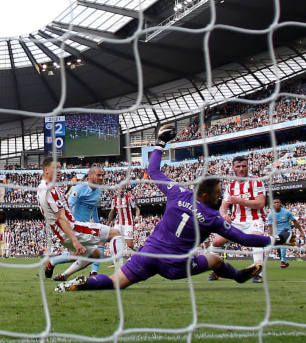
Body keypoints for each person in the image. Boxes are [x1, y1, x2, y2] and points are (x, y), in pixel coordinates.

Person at [55, 125, 289, 292]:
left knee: (116, 282)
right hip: (175, 265)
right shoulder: (213, 218)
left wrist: (160, 143)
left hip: (148, 254)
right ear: (206, 195)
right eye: (218, 193)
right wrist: (277, 239)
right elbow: (246, 239)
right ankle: (238, 277)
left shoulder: (176, 192)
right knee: (216, 261)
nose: (221, 197)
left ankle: (86, 283)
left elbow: (154, 170)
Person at [38, 158, 123, 281]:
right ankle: (121, 274)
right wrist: (74, 239)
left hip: (63, 233)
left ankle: (64, 276)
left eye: (60, 167)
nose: (60, 171)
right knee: (116, 233)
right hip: (74, 228)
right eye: (55, 168)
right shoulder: (52, 190)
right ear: (46, 170)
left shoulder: (42, 188)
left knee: (95, 254)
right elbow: (61, 217)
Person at [207, 155, 267, 283]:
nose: (241, 169)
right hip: (236, 222)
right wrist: (224, 215)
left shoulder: (256, 182)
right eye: (238, 166)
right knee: (216, 243)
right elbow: (223, 208)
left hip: (254, 220)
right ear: (233, 168)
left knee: (256, 241)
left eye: (244, 166)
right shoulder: (230, 186)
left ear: (248, 167)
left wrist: (240, 200)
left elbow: (260, 203)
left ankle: (257, 273)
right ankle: (216, 270)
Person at [106, 187, 141, 266]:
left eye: (122, 189)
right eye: (119, 189)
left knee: (130, 245)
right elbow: (112, 213)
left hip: (128, 223)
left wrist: (137, 217)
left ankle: (140, 253)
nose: (121, 190)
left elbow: (137, 209)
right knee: (114, 241)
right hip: (118, 223)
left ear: (124, 190)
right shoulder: (114, 200)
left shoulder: (129, 199)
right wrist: (108, 223)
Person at [266, 198, 304, 268]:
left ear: (280, 204)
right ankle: (285, 261)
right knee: (278, 248)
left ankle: (282, 262)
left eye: (278, 202)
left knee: (282, 244)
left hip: (287, 231)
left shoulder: (287, 212)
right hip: (277, 232)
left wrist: (301, 231)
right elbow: (270, 226)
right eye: (275, 202)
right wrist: (270, 235)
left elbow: (295, 221)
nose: (277, 204)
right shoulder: (271, 215)